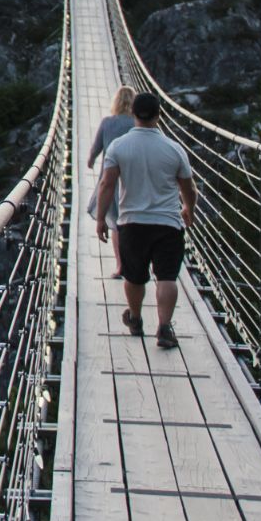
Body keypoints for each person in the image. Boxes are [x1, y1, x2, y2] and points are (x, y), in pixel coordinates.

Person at [95, 91, 196, 351]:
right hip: (168, 224)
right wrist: (189, 210)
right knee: (167, 277)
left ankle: (136, 318)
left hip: (132, 223)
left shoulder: (119, 146)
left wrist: (101, 219)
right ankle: (164, 327)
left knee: (134, 276)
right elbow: (189, 187)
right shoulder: (174, 149)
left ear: (133, 115)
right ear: (159, 115)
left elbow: (107, 184)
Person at [86, 86, 138, 279]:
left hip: (111, 178)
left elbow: (96, 147)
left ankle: (120, 265)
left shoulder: (107, 123)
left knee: (116, 224)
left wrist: (91, 160)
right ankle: (135, 262)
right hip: (133, 178)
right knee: (132, 221)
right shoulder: (137, 123)